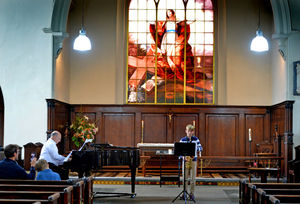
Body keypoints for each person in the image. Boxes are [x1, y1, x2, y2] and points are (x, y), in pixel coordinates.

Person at [179, 124, 202, 201]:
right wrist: (183, 157)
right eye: (188, 131)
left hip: (193, 160)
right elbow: (179, 151)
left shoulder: (196, 139)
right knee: (184, 178)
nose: (190, 132)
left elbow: (200, 147)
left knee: (193, 178)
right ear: (186, 131)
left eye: (191, 131)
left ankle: (192, 194)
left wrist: (198, 148)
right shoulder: (182, 140)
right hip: (185, 160)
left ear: (193, 132)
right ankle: (184, 193)